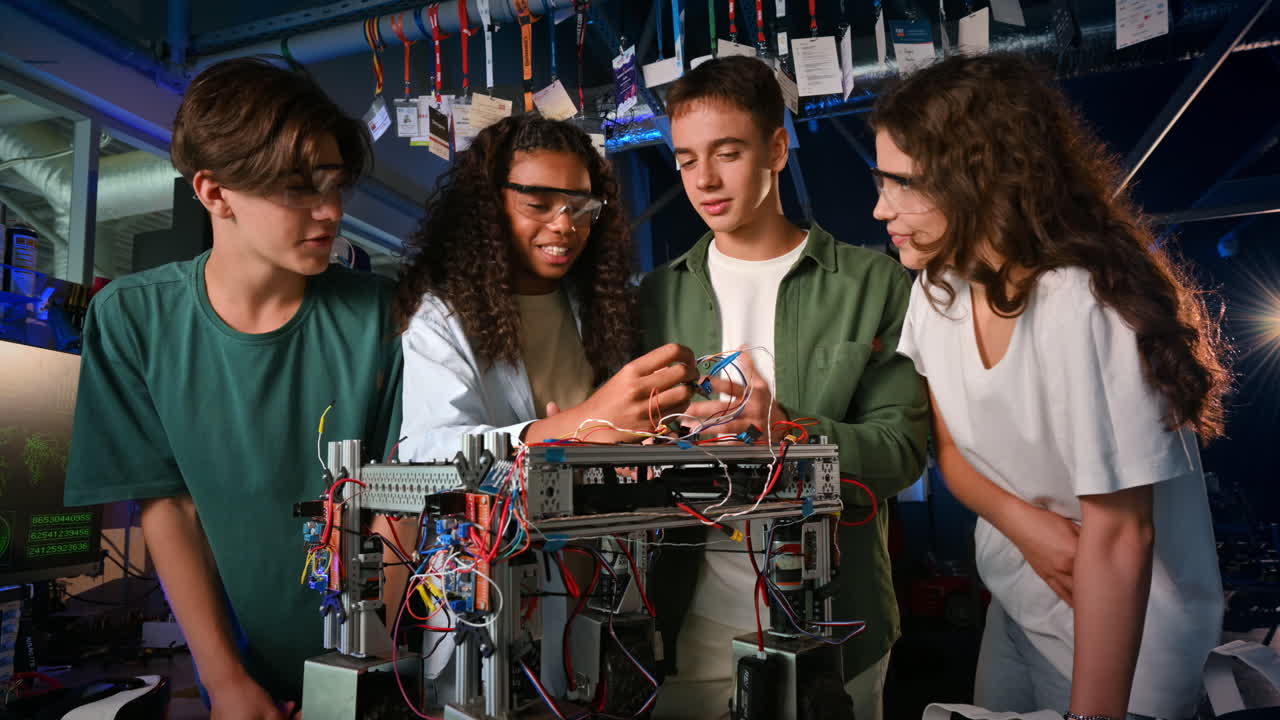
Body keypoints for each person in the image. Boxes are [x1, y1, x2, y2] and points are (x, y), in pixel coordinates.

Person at [874, 53, 1228, 720]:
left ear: (978, 179)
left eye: (902, 185)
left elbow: (1122, 539)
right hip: (1018, 597)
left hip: (1131, 635)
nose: (879, 207)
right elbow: (953, 455)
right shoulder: (935, 291)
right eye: (880, 181)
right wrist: (1028, 527)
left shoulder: (1087, 304)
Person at [65, 58, 403, 718]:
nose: (330, 211)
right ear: (215, 193)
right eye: (300, 189)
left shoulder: (384, 316)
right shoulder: (134, 319)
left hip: (389, 666)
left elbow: (403, 512)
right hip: (245, 676)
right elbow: (170, 508)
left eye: (334, 185)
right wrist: (223, 682)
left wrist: (367, 678)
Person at [640, 56, 930, 720]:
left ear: (776, 147)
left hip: (838, 632)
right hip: (685, 630)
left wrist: (789, 431)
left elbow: (900, 453)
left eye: (728, 152)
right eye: (685, 160)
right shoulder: (653, 299)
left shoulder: (873, 283)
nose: (704, 179)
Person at [394, 114, 696, 462]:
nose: (565, 225)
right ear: (489, 206)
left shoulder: (603, 304)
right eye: (538, 205)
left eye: (582, 207)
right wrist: (578, 426)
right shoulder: (441, 317)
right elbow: (427, 449)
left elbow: (622, 430)